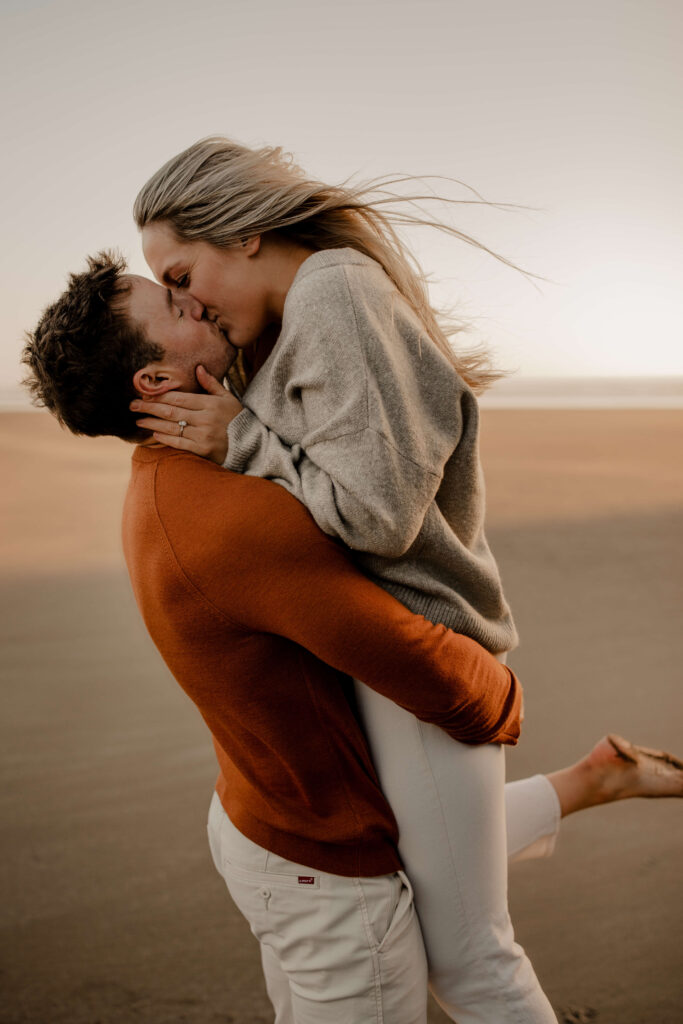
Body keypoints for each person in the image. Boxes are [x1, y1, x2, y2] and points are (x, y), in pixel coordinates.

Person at [22, 254, 683, 1024]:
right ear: (155, 383)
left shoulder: (164, 482)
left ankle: (592, 780)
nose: (193, 302)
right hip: (321, 871)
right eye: (171, 307)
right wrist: (497, 696)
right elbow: (402, 652)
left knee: (439, 866)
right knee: (468, 952)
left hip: (263, 826)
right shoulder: (230, 520)